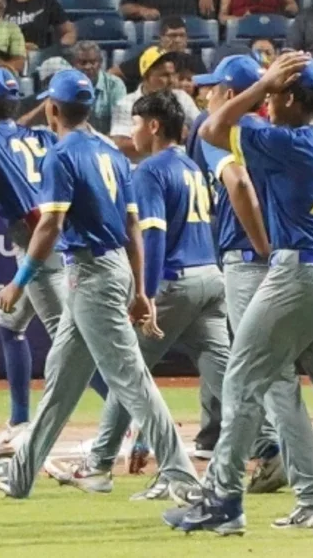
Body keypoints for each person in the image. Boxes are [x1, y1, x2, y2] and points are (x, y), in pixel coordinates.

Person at [166, 54, 313, 539]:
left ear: (286, 96)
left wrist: (261, 82)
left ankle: (223, 499)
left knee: (242, 380)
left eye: (275, 95)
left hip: (298, 272)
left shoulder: (284, 141)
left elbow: (211, 129)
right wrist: (270, 87)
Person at [0, 69, 203, 504]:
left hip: (91, 273)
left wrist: (20, 280)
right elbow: (133, 225)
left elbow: (50, 225)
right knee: (61, 383)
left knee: (133, 381)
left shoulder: (61, 155)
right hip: (109, 268)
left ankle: (183, 478)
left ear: (53, 109)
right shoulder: (113, 153)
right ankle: (20, 476)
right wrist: (138, 289)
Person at [46, 90, 232, 499]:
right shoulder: (192, 166)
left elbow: (152, 236)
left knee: (127, 377)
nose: (130, 132)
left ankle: (100, 464)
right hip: (210, 277)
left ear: (152, 125)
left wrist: (143, 293)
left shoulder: (149, 170)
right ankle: (271, 446)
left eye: (134, 123)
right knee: (228, 378)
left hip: (174, 282)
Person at [189, 55, 313, 519]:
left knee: (265, 381)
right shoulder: (287, 131)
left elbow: (239, 185)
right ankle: (310, 481)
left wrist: (264, 246)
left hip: (255, 261)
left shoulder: (244, 129)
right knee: (303, 379)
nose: (208, 93)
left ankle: (262, 486)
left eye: (216, 87)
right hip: (295, 261)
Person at [0, 68, 111, 458]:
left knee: (70, 342)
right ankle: (19, 422)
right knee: (9, 324)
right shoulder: (38, 134)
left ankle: (127, 417)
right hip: (55, 232)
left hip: (40, 245)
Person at [111, 49, 202, 161]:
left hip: (177, 165)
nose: (171, 81)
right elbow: (121, 145)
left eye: (173, 74)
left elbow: (201, 130)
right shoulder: (126, 103)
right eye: (164, 75)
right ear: (146, 77)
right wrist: (171, 136)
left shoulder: (182, 97)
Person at [112, 17, 208, 93]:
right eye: (173, 35)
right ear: (161, 38)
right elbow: (113, 73)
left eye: (182, 35)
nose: (178, 40)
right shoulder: (150, 59)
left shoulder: (195, 62)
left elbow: (206, 89)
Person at [5, 0, 75, 53]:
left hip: (41, 57)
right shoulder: (3, 3)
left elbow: (70, 32)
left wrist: (53, 51)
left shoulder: (46, 1)